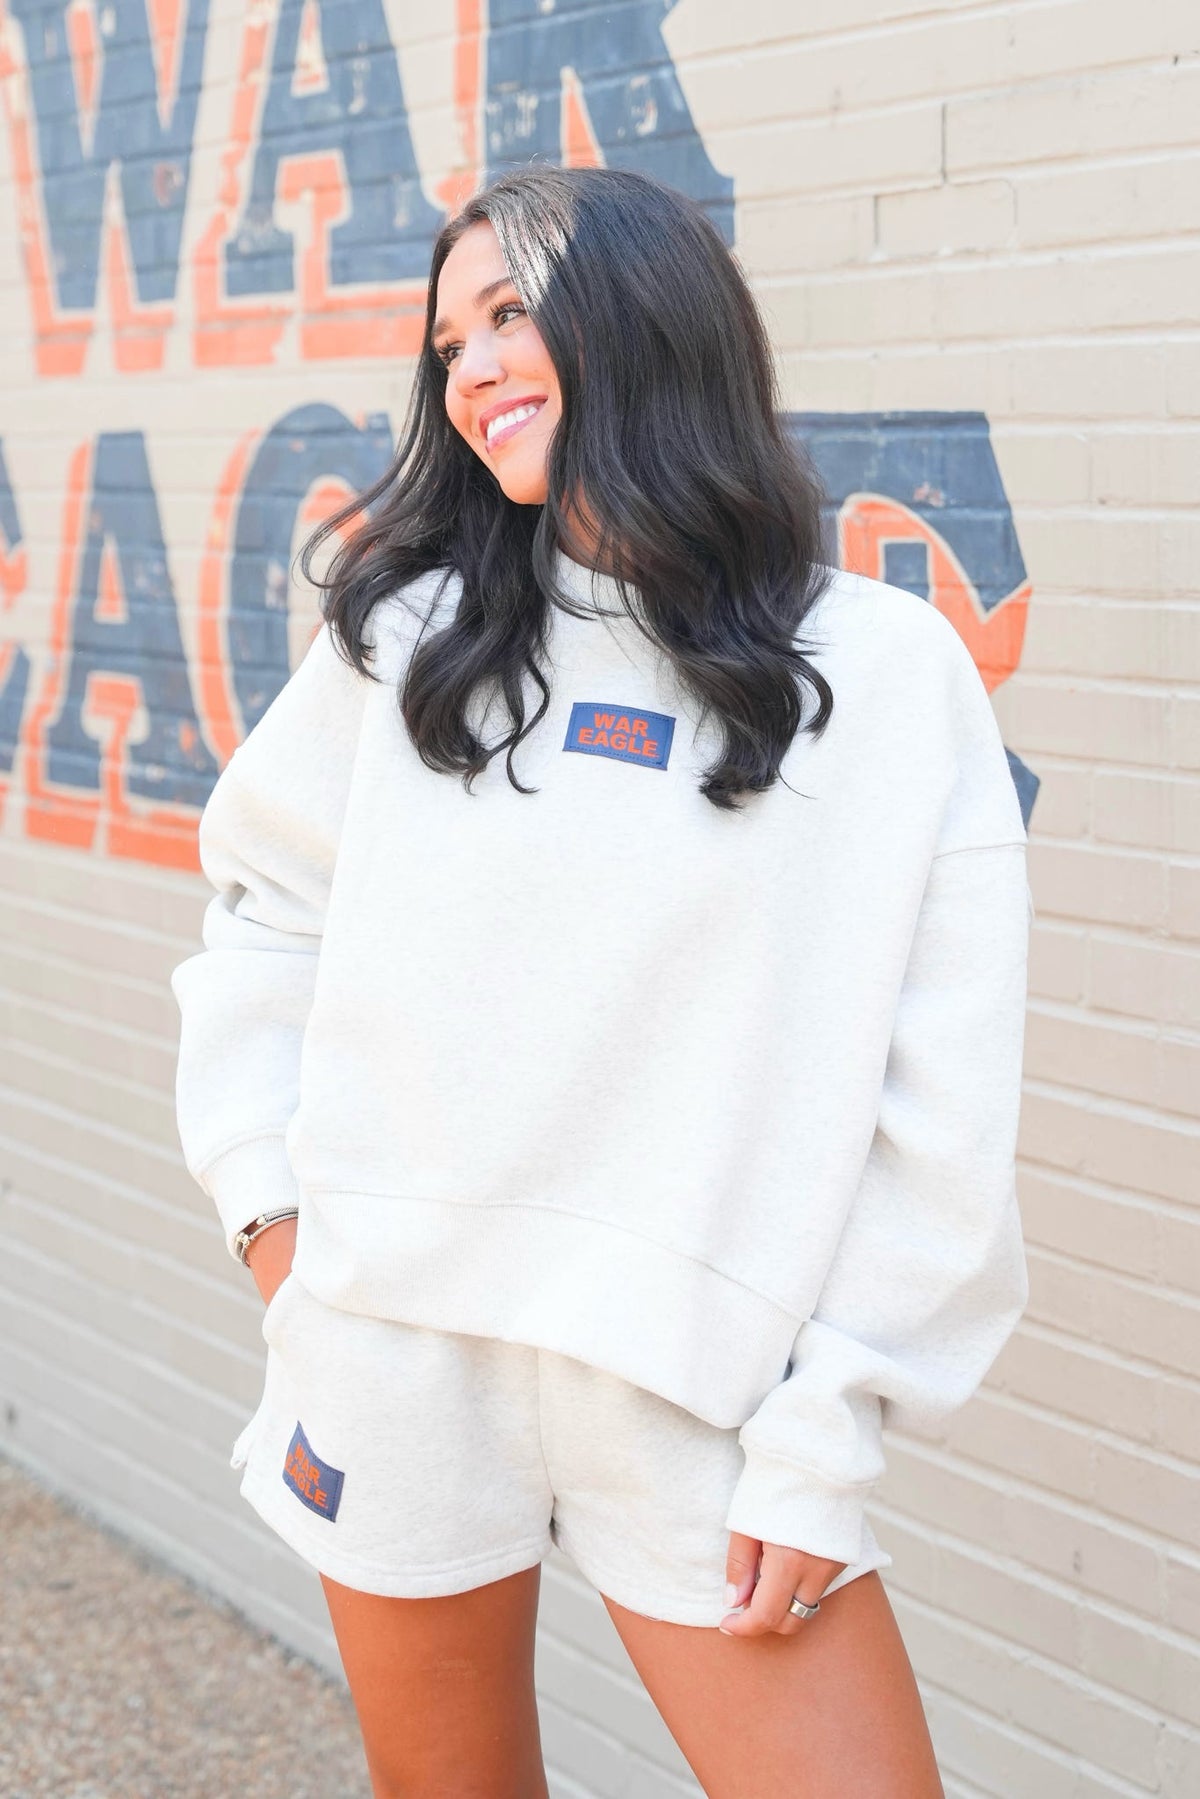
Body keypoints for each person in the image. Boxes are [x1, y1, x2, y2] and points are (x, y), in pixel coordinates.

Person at [170, 162, 1032, 1798]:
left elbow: (944, 1110)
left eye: (510, 313)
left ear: (646, 316)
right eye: (447, 343)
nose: (470, 366)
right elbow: (262, 913)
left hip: (709, 1400)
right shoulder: (409, 635)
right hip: (397, 1356)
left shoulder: (883, 673)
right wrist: (276, 1224)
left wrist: (829, 1432)